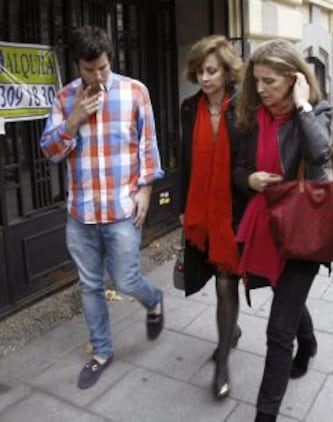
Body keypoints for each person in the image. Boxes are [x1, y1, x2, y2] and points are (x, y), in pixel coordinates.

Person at [39, 25, 165, 390]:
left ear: (111, 60)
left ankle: (154, 299)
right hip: (80, 213)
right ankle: (102, 352)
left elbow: (148, 145)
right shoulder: (65, 99)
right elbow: (50, 152)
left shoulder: (135, 92)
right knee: (90, 285)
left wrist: (146, 189)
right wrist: (74, 119)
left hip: (123, 209)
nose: (97, 76)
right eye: (89, 69)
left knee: (125, 279)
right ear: (77, 63)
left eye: (103, 68)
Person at [233, 39, 332, 422]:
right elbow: (237, 168)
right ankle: (307, 344)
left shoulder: (317, 110)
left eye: (270, 81)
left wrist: (304, 107)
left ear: (294, 79)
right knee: (285, 299)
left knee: (277, 332)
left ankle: (265, 415)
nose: (260, 89)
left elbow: (320, 156)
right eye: (257, 80)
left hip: (304, 231)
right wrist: (250, 179)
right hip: (267, 229)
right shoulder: (251, 117)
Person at [179, 34, 244, 399]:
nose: (205, 78)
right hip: (202, 206)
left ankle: (223, 362)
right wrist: (183, 209)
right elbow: (185, 160)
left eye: (212, 71)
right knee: (220, 279)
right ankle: (229, 333)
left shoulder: (243, 106)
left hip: (234, 208)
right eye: (200, 71)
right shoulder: (190, 108)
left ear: (226, 71)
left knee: (226, 280)